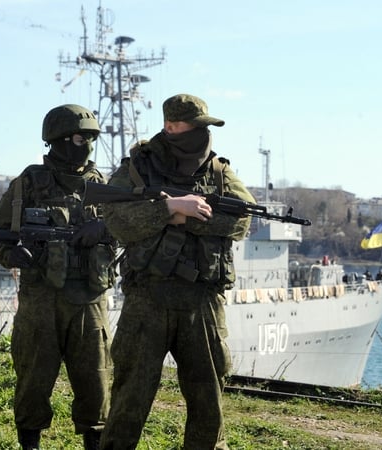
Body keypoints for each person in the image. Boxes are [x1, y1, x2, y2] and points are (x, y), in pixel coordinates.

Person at [99, 94, 254, 449]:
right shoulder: (139, 166)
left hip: (201, 302)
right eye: (179, 125)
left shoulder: (218, 171)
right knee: (129, 399)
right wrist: (168, 208)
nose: (183, 132)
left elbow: (243, 218)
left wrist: (191, 216)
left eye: (193, 126)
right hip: (147, 299)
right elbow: (115, 218)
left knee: (207, 401)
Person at [0, 104, 116, 450]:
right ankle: (30, 443)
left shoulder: (103, 186)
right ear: (57, 140)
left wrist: (104, 227)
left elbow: (127, 231)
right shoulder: (30, 182)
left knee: (96, 383)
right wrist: (10, 254)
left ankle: (94, 441)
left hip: (90, 301)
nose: (84, 144)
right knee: (33, 380)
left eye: (90, 138)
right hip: (41, 300)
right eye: (77, 137)